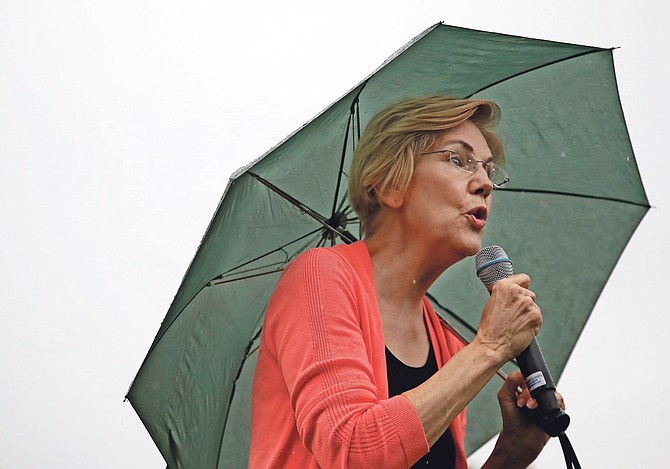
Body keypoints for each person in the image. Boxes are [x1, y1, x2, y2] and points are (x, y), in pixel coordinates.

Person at [249, 95, 561, 468]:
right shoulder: (320, 276)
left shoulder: (444, 340)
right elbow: (353, 451)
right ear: (388, 184)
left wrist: (510, 456)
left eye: (489, 170)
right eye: (459, 160)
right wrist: (490, 347)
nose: (484, 184)